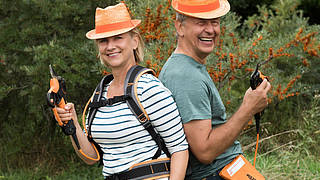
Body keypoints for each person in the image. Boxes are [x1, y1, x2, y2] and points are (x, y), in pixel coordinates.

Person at [56, 3, 188, 180]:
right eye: (103, 41)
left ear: (134, 41)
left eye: (118, 38)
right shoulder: (99, 94)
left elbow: (179, 150)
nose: (110, 46)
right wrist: (72, 123)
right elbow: (92, 157)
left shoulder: (149, 88)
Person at [159, 0, 271, 179]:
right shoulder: (185, 76)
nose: (211, 30)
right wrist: (249, 107)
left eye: (215, 22)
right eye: (201, 22)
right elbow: (205, 151)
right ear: (179, 27)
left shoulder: (188, 67)